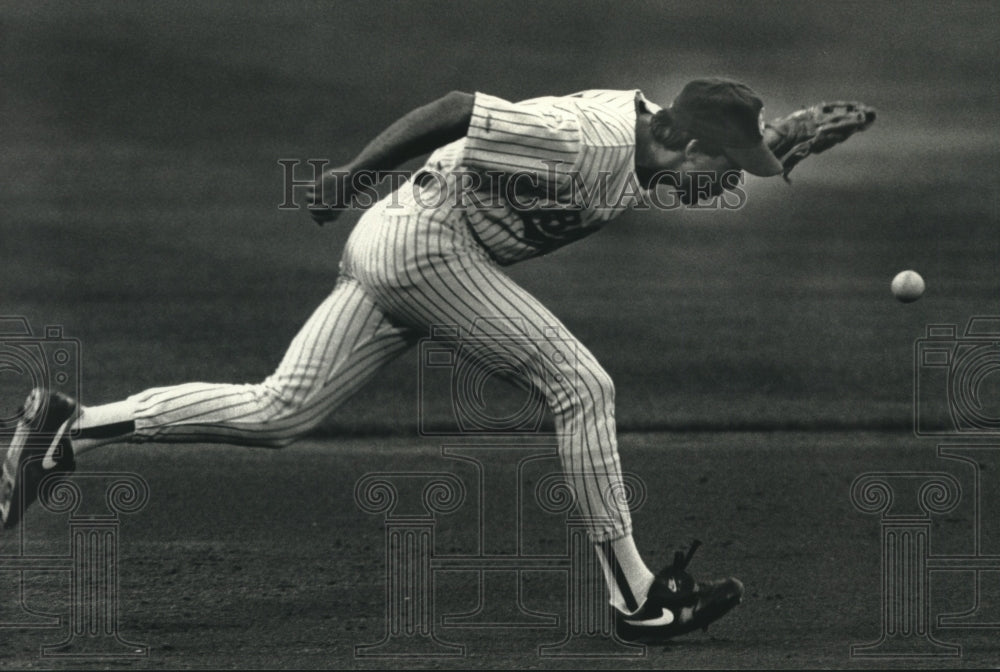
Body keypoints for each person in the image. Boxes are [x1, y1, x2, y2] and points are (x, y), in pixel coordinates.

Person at [0, 79, 874, 644]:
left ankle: (68, 430)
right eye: (735, 162)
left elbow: (675, 181)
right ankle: (637, 596)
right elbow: (458, 108)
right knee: (581, 385)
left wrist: (775, 153)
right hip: (423, 249)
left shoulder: (651, 141)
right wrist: (348, 173)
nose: (729, 178)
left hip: (412, 249)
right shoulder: (581, 137)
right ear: (692, 143)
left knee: (280, 412)